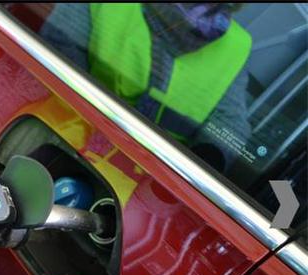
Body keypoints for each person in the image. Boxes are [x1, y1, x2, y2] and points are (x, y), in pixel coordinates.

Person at [39, 3, 253, 173]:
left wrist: (200, 165)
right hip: (57, 137)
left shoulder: (235, 45)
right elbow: (57, 49)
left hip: (146, 183)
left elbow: (231, 124)